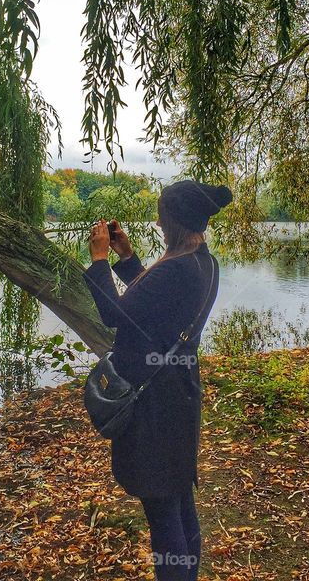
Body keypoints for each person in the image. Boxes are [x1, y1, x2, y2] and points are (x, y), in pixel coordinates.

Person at [83, 180, 232, 581]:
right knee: (179, 499)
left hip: (154, 406)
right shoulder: (202, 262)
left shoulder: (178, 268)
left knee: (164, 513)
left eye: (160, 213)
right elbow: (150, 305)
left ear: (169, 221)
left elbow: (117, 314)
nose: (157, 218)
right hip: (178, 394)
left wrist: (98, 261)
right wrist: (127, 257)